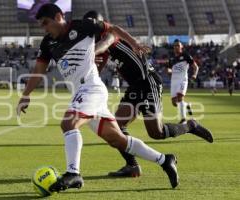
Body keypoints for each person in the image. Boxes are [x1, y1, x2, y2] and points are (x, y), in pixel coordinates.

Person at [17, 3, 179, 192]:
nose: (44, 28)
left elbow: (114, 30)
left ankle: (73, 173)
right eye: (42, 25)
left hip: (91, 89)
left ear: (59, 16)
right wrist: (26, 95)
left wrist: (134, 44)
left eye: (46, 23)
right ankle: (165, 160)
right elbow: (38, 70)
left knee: (69, 123)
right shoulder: (47, 44)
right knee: (118, 140)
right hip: (82, 92)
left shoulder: (82, 26)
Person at [84, 11, 213, 177]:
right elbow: (98, 66)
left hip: (148, 82)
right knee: (116, 126)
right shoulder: (101, 46)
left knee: (156, 133)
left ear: (100, 25)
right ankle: (132, 166)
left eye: (93, 29)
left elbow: (105, 42)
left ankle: (190, 126)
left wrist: (89, 54)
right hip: (135, 87)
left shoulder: (109, 35)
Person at [167, 39, 198, 124]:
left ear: (181, 47)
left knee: (180, 97)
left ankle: (183, 119)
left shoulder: (186, 55)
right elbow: (169, 68)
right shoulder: (171, 59)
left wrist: (194, 74)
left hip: (182, 80)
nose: (176, 47)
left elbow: (195, 66)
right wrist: (169, 71)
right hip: (174, 82)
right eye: (175, 46)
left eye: (178, 45)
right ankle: (187, 105)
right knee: (174, 103)